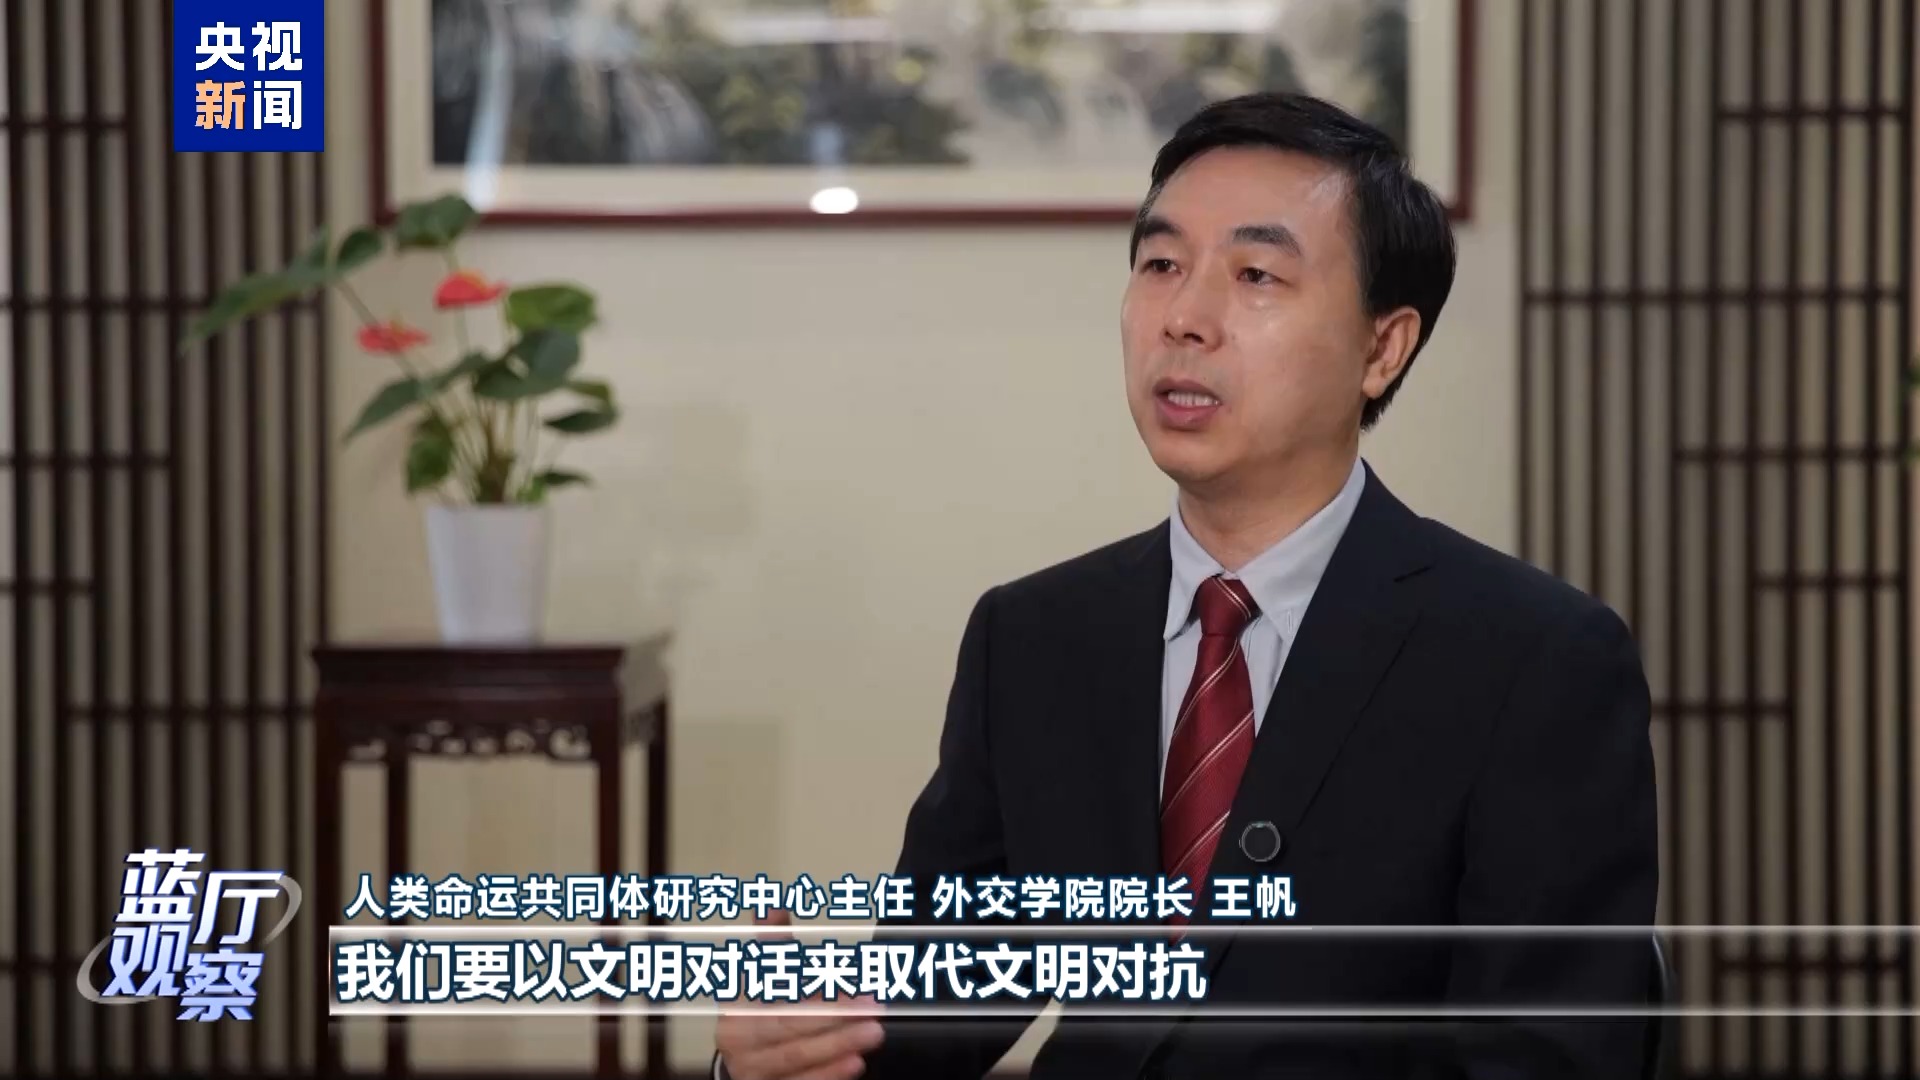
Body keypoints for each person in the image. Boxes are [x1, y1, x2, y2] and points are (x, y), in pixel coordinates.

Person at [714, 91, 1658, 1080]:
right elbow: (933, 1006)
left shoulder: (1532, 659)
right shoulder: (1034, 639)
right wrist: (793, 1048)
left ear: (1382, 349)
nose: (1185, 319)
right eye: (1161, 265)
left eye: (1256, 275)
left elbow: (1550, 1053)